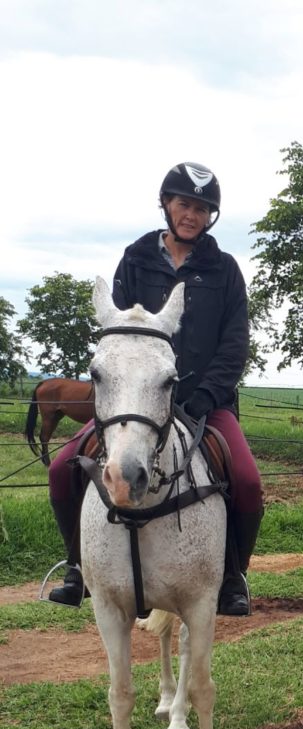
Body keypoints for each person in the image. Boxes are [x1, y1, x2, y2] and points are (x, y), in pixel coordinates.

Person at [46, 162, 264, 616]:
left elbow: (234, 344)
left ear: (211, 217)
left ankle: (232, 576)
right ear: (166, 204)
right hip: (136, 404)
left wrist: (203, 397)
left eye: (203, 208)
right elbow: (119, 335)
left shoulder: (225, 271)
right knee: (62, 467)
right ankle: (77, 566)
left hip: (205, 404)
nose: (192, 214)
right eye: (184, 203)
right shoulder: (136, 257)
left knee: (246, 481)